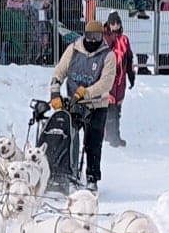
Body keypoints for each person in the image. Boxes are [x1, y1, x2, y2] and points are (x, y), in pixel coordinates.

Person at [49, 20, 118, 191]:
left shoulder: (108, 56)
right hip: (74, 103)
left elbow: (106, 83)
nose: (93, 40)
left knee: (93, 142)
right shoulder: (73, 49)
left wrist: (86, 92)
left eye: (97, 37)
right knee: (67, 136)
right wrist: (55, 92)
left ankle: (92, 178)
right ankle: (63, 172)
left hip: (96, 104)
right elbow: (59, 71)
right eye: (90, 36)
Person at [103, 12, 135, 147]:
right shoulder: (105, 39)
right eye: (113, 23)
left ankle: (116, 134)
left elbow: (129, 58)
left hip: (120, 80)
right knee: (110, 109)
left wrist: (131, 75)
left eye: (117, 23)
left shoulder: (124, 39)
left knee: (117, 109)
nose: (115, 26)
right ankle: (110, 136)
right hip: (109, 78)